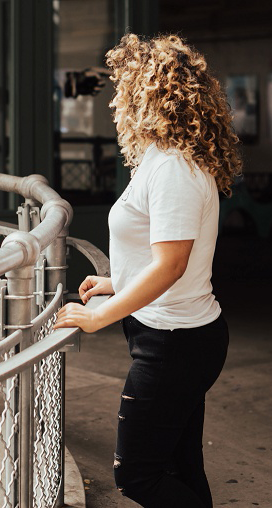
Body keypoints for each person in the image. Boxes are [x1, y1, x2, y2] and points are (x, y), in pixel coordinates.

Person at [54, 33, 242, 508]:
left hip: (175, 343)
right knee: (178, 467)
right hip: (174, 336)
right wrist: (118, 281)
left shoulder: (176, 168)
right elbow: (166, 257)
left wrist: (102, 315)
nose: (117, 97)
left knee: (137, 476)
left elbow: (173, 265)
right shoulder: (162, 160)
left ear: (150, 94)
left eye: (124, 86)